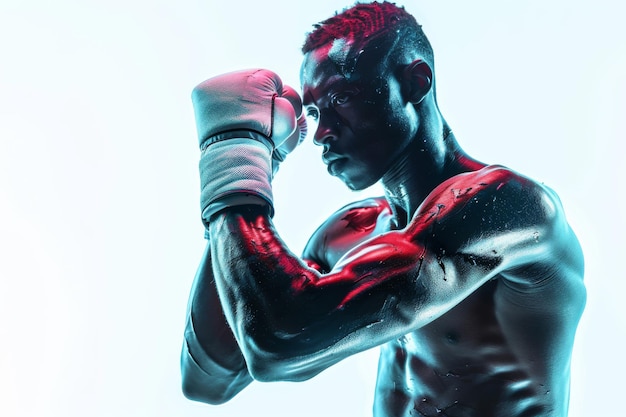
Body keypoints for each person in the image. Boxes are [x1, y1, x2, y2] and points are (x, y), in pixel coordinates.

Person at [180, 2, 586, 416]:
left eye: (342, 96)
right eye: (316, 111)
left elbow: (283, 343)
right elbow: (212, 376)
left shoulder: (510, 208)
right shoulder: (348, 232)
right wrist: (252, 167)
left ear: (414, 82)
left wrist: (232, 158)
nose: (320, 133)